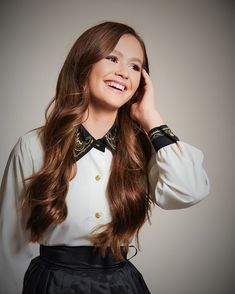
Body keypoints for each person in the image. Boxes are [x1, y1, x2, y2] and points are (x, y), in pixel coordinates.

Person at [0, 21, 210, 294]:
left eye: (135, 66)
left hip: (121, 285)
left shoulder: (142, 148)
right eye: (113, 58)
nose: (124, 72)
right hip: (53, 285)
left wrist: (152, 120)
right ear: (84, 64)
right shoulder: (33, 146)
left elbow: (189, 191)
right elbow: (8, 245)